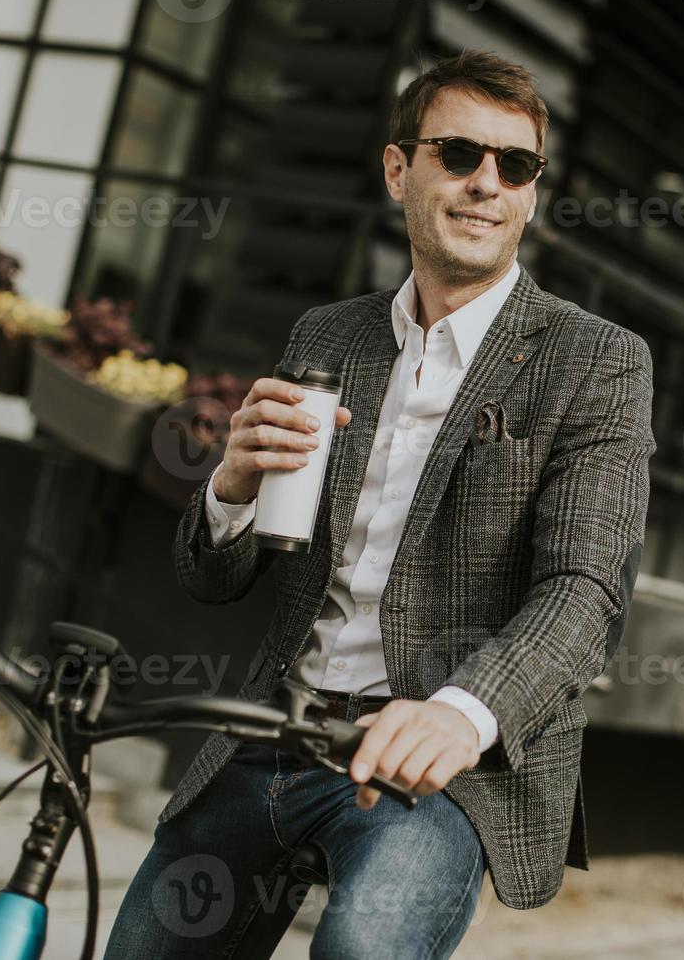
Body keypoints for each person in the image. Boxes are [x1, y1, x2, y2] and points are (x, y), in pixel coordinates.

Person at [105, 48, 655, 959]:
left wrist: (459, 711)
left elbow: (586, 592)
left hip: (440, 765)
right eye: (460, 155)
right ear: (400, 168)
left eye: (515, 166)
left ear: (531, 192)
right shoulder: (328, 334)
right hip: (279, 724)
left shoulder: (596, 360)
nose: (488, 184)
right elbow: (214, 578)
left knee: (361, 951)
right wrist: (231, 488)